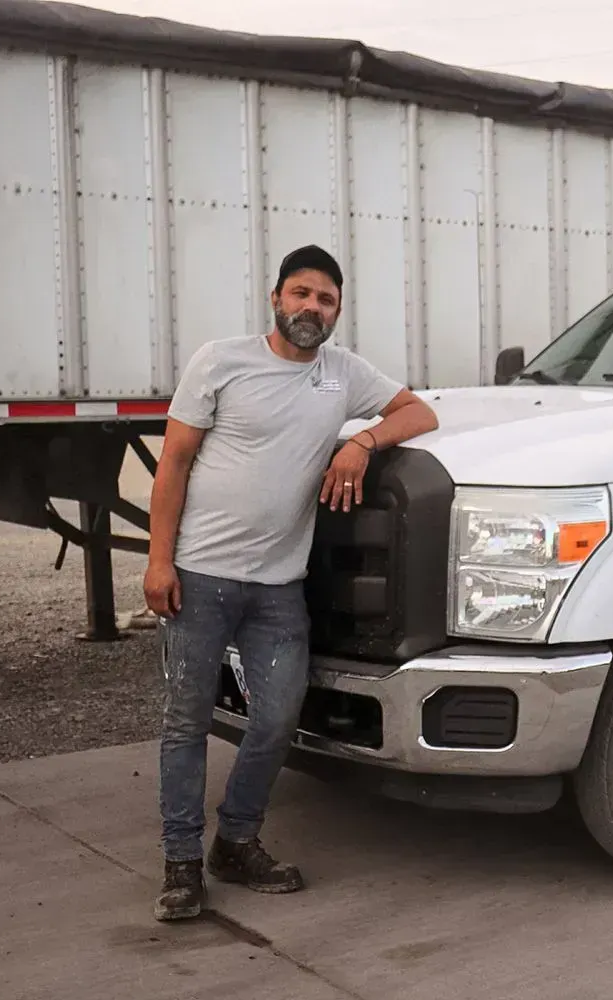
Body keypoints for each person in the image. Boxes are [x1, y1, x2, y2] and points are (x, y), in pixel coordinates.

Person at [145, 245, 439, 922]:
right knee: (186, 723)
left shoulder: (340, 378)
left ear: (337, 311)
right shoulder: (222, 360)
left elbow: (418, 412)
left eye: (326, 299)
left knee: (277, 721)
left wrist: (360, 443)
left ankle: (237, 842)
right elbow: (174, 464)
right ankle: (182, 864)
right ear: (276, 298)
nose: (312, 308)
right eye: (301, 294)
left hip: (280, 588)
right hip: (202, 576)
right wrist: (160, 562)